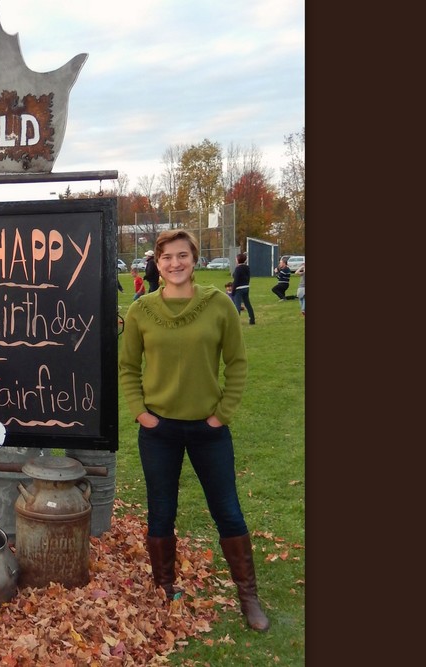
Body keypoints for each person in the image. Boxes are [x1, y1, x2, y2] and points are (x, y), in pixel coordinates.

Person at [118, 229, 269, 632]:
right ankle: (165, 590)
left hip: (208, 429)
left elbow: (236, 364)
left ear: (194, 259)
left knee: (228, 511)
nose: (174, 264)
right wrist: (140, 413)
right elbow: (129, 368)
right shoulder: (141, 310)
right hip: (159, 430)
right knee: (161, 512)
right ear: (157, 264)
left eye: (182, 256)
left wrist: (222, 414)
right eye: (166, 257)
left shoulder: (218, 305)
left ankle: (248, 596)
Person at [230, 253, 255, 325]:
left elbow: (236, 280)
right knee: (248, 304)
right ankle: (252, 320)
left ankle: (235, 323)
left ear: (238, 260)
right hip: (246, 287)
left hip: (239, 288)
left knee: (237, 306)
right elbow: (248, 277)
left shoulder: (238, 268)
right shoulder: (247, 267)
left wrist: (233, 291)